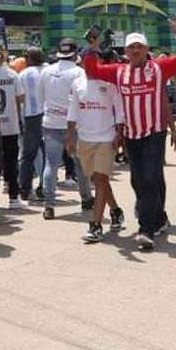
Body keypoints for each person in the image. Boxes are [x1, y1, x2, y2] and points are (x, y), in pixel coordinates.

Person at [81, 21, 176, 251]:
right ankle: (159, 217)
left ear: (146, 49)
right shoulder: (119, 71)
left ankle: (146, 229)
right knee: (138, 180)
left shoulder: (159, 68)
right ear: (125, 51)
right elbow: (92, 70)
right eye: (131, 47)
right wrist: (92, 47)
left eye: (139, 47)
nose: (135, 51)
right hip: (131, 136)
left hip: (154, 133)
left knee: (150, 178)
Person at [66, 48, 126, 243]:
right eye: (86, 60)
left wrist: (119, 133)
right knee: (98, 180)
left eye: (94, 59)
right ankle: (115, 210)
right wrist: (70, 137)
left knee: (100, 179)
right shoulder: (77, 84)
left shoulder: (109, 83)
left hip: (106, 138)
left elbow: (119, 109)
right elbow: (73, 110)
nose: (90, 63)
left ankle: (95, 225)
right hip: (85, 139)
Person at [38, 40, 90, 220]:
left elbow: (40, 97)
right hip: (74, 125)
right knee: (80, 164)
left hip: (51, 122)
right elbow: (83, 98)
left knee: (51, 164)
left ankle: (49, 205)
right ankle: (86, 198)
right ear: (75, 54)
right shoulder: (79, 72)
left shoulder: (46, 71)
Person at [0, 44, 23, 211]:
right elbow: (20, 98)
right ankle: (13, 196)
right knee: (11, 160)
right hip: (10, 124)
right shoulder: (12, 74)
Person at [17, 46, 45, 202]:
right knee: (48, 155)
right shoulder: (49, 71)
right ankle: (45, 187)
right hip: (49, 116)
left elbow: (20, 98)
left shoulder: (24, 74)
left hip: (31, 117)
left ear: (28, 58)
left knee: (28, 155)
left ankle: (25, 189)